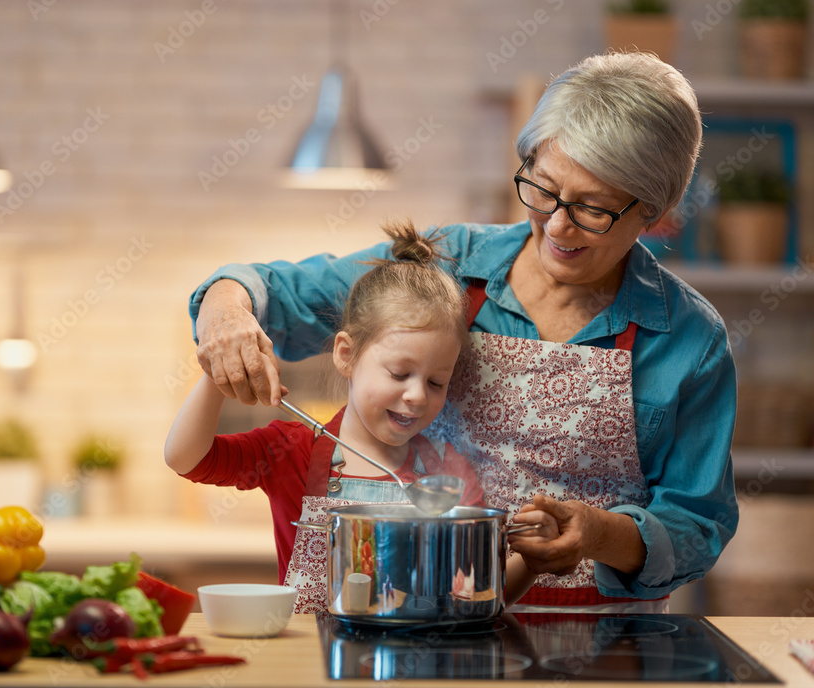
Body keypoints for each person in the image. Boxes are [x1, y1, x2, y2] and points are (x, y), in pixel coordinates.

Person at [188, 52, 739, 613]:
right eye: (544, 190)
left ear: (654, 210)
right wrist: (226, 312)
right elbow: (273, 292)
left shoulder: (689, 340)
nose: (556, 224)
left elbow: (698, 525)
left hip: (601, 647)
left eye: (592, 209)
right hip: (428, 629)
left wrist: (600, 535)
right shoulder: (445, 263)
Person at [166, 221, 559, 613]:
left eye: (438, 382)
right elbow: (186, 459)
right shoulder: (292, 451)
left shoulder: (447, 473)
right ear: (345, 354)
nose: (418, 395)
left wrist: (533, 560)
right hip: (312, 667)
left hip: (412, 668)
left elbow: (473, 596)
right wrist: (218, 373)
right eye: (400, 374)